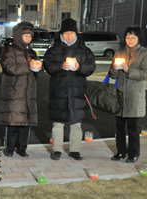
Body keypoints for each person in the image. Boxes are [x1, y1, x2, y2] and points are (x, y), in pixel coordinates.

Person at [43, 18, 96, 161]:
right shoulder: (53, 50)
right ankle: (57, 149)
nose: (69, 36)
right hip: (58, 91)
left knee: (76, 122)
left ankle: (75, 150)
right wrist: (61, 66)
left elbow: (91, 66)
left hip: (77, 91)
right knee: (58, 122)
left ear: (76, 33)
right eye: (66, 33)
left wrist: (79, 67)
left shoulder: (84, 49)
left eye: (72, 33)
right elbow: (47, 65)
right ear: (62, 34)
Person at [0, 22, 43, 157]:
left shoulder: (31, 52)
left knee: (25, 124)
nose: (28, 38)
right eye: (25, 35)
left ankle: (22, 148)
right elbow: (8, 67)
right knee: (13, 123)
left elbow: (38, 73)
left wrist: (39, 68)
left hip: (28, 93)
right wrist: (28, 66)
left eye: (30, 36)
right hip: (14, 92)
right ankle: (10, 148)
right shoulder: (9, 50)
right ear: (18, 36)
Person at [110, 27, 147, 163]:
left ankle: (134, 153)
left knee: (133, 127)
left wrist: (129, 70)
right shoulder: (120, 52)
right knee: (119, 126)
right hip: (120, 94)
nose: (130, 40)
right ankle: (121, 151)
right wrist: (115, 70)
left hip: (134, 95)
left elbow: (145, 73)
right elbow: (112, 74)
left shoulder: (144, 53)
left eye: (133, 37)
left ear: (139, 38)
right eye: (128, 37)